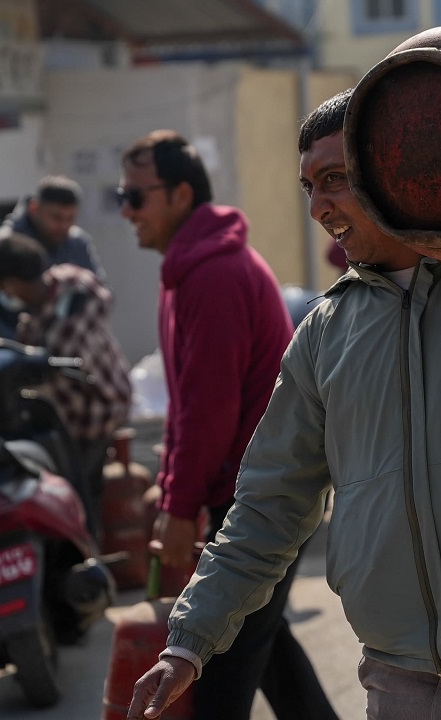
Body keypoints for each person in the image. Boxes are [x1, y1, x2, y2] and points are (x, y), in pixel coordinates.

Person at [128, 89, 441, 720]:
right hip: (397, 671)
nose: (318, 207)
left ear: (397, 167)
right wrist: (188, 642)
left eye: (335, 180)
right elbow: (269, 504)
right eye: (308, 187)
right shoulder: (327, 331)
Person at [118, 130, 337, 720]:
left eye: (137, 197)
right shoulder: (187, 269)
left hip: (260, 504)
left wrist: (180, 506)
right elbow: (186, 405)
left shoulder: (212, 274)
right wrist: (174, 494)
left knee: (217, 673)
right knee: (268, 653)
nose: (126, 211)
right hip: (247, 491)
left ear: (180, 194)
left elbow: (206, 411)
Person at [0, 233, 132, 536]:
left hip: (97, 411)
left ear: (13, 284)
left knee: (77, 498)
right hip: (66, 414)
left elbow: (63, 354)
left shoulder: (76, 295)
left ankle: (88, 561)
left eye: (0, 288)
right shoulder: (43, 302)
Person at [0, 175, 105, 341]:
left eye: (70, 219)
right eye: (56, 217)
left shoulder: (77, 243)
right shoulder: (1, 247)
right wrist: (25, 350)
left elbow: (100, 295)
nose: (63, 226)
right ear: (34, 208)